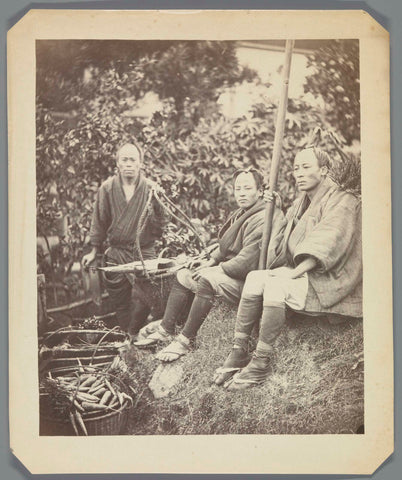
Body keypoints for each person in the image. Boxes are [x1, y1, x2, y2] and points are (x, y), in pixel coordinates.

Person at [214, 146, 362, 390]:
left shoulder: (343, 199)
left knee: (275, 283)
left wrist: (292, 273)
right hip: (307, 273)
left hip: (330, 279)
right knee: (254, 277)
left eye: (306, 167)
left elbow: (328, 240)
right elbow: (283, 243)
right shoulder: (302, 201)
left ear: (324, 170)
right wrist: (277, 209)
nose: (299, 173)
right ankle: (238, 351)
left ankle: (260, 363)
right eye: (295, 168)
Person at [134, 168, 286, 362]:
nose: (241, 193)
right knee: (184, 274)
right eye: (237, 188)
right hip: (231, 270)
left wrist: (216, 268)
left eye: (247, 188)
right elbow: (225, 247)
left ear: (260, 191)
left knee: (206, 278)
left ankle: (186, 340)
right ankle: (166, 329)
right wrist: (211, 260)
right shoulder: (243, 213)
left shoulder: (265, 216)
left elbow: (247, 261)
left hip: (247, 279)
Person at [82, 142, 167, 336]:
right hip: (117, 252)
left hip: (143, 251)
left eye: (133, 160)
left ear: (140, 164)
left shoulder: (151, 189)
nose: (129, 164)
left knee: (146, 297)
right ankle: (126, 335)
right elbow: (99, 220)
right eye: (124, 159)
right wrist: (94, 250)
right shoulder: (107, 189)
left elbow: (160, 224)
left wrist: (159, 202)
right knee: (119, 300)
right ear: (118, 164)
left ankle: (137, 331)